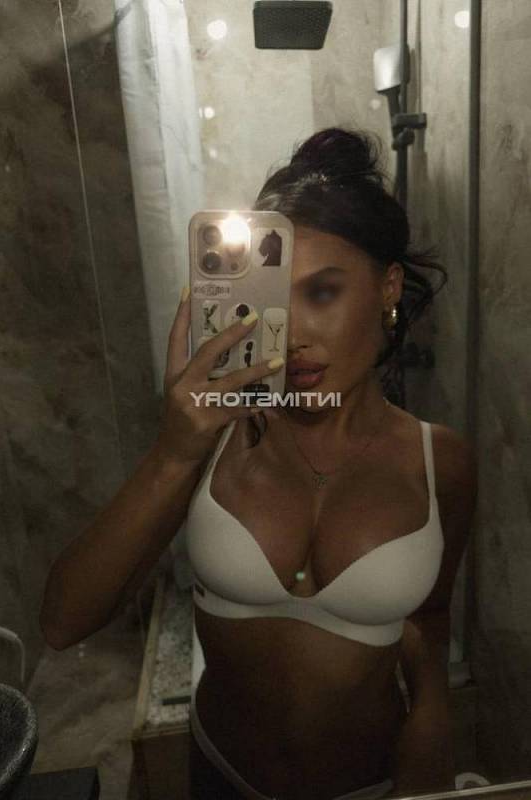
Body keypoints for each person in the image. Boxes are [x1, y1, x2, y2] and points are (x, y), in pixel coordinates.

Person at [40, 127, 478, 800]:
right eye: (277, 298)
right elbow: (64, 620)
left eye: (322, 293)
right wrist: (173, 451)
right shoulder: (215, 435)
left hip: (373, 784)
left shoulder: (439, 461)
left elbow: (430, 613)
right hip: (221, 775)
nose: (292, 334)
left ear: (388, 286)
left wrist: (431, 717)